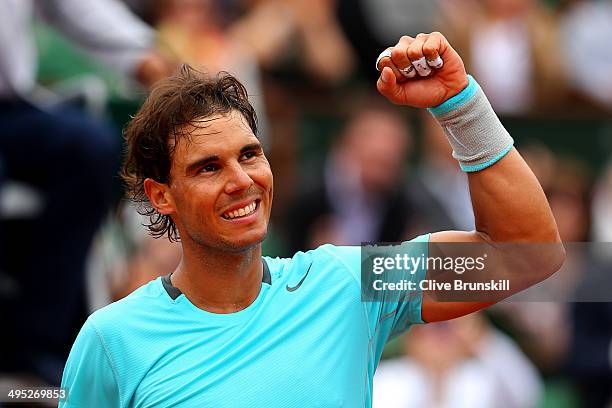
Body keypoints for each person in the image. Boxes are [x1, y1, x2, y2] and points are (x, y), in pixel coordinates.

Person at [59, 32, 564, 406]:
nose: (241, 180)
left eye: (250, 155)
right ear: (161, 196)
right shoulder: (114, 340)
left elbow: (525, 255)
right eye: (209, 167)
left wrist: (462, 106)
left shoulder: (350, 283)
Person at [0, 0, 172, 385]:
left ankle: (35, 345)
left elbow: (73, 5)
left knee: (90, 147)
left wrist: (140, 53)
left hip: (10, 110)